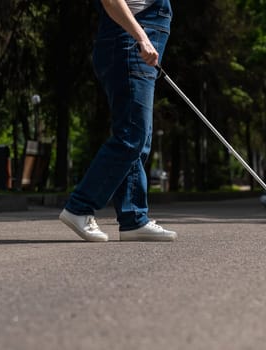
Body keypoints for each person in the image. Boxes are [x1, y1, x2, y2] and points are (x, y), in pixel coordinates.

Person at [59, 0, 176, 242]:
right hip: (130, 43)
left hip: (138, 41)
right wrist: (141, 37)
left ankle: (134, 218)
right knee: (132, 135)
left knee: (140, 137)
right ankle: (79, 207)